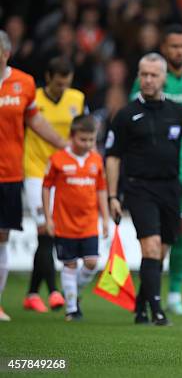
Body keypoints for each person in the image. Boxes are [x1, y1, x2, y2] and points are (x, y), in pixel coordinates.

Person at [105, 53, 182, 326]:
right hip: (139, 189)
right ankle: (156, 310)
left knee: (160, 252)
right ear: (138, 76)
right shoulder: (126, 115)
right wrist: (112, 195)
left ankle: (140, 307)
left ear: (164, 78)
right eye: (144, 74)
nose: (148, 80)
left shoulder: (178, 112)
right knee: (150, 248)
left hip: (170, 189)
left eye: (154, 75)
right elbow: (113, 157)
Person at [131, 24, 182, 316]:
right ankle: (150, 294)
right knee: (155, 237)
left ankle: (173, 293)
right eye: (174, 46)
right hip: (155, 169)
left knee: (179, 232)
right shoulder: (150, 80)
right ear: (164, 48)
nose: (179, 51)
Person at [0, 30, 66, 322]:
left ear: (6, 53)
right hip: (18, 172)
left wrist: (65, 146)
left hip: (10, 172)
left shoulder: (23, 83)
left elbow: (34, 119)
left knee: (2, 237)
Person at [23, 57, 86, 314]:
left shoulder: (77, 99)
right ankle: (54, 291)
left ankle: (32, 294)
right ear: (48, 78)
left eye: (66, 84)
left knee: (49, 235)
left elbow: (84, 130)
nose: (62, 89)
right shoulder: (33, 98)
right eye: (58, 84)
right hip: (36, 170)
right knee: (46, 231)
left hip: (63, 173)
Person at [42, 115, 109, 321]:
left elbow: (101, 190)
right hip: (64, 222)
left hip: (88, 222)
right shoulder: (58, 159)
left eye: (91, 140)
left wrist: (105, 218)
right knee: (69, 264)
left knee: (91, 262)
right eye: (83, 139)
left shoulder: (96, 160)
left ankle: (72, 291)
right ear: (72, 136)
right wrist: (48, 218)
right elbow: (46, 188)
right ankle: (72, 308)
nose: (88, 144)